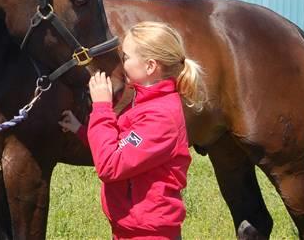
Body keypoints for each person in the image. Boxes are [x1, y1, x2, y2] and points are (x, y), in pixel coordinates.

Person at [59, 21, 205, 240]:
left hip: (148, 234)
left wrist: (101, 107)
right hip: (132, 229)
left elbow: (110, 165)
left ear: (150, 66)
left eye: (126, 57)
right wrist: (81, 130)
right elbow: (122, 145)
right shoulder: (145, 103)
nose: (121, 63)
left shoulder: (160, 117)